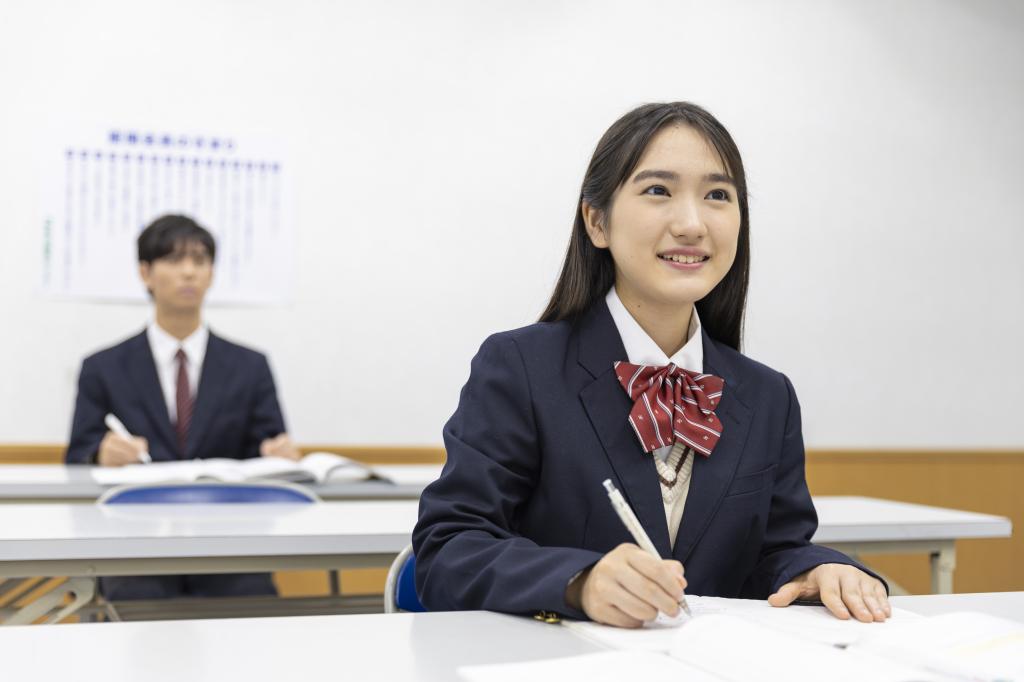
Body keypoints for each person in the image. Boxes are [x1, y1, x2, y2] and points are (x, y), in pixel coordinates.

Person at [413, 102, 891, 628]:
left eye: (717, 195)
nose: (691, 224)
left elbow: (770, 553)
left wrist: (818, 567)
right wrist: (580, 582)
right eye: (658, 190)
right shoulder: (521, 367)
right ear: (597, 221)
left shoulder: (768, 395)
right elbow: (449, 550)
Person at [66, 213, 300, 599]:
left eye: (201, 260)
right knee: (130, 603)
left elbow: (266, 443)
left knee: (254, 602)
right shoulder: (102, 368)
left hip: (229, 547)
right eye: (174, 260)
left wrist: (274, 452)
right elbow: (77, 453)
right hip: (133, 543)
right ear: (145, 272)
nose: (189, 272)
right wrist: (99, 453)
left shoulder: (250, 365)